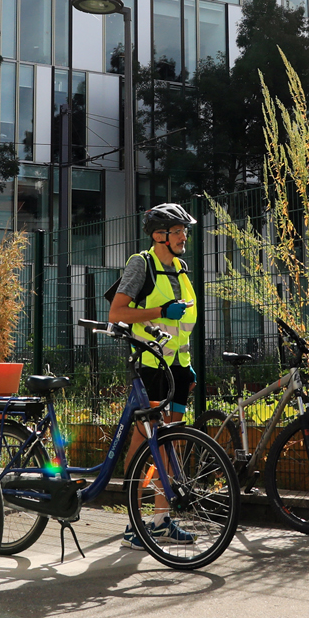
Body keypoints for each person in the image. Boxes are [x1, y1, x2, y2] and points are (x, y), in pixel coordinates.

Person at [107, 203, 201, 550]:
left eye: (184, 231)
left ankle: (161, 521)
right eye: (177, 231)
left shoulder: (181, 270)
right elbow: (117, 312)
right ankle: (133, 524)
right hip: (150, 366)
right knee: (143, 442)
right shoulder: (141, 264)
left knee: (171, 444)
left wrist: (186, 366)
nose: (183, 236)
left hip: (178, 368)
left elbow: (182, 326)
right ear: (159, 235)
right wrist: (161, 310)